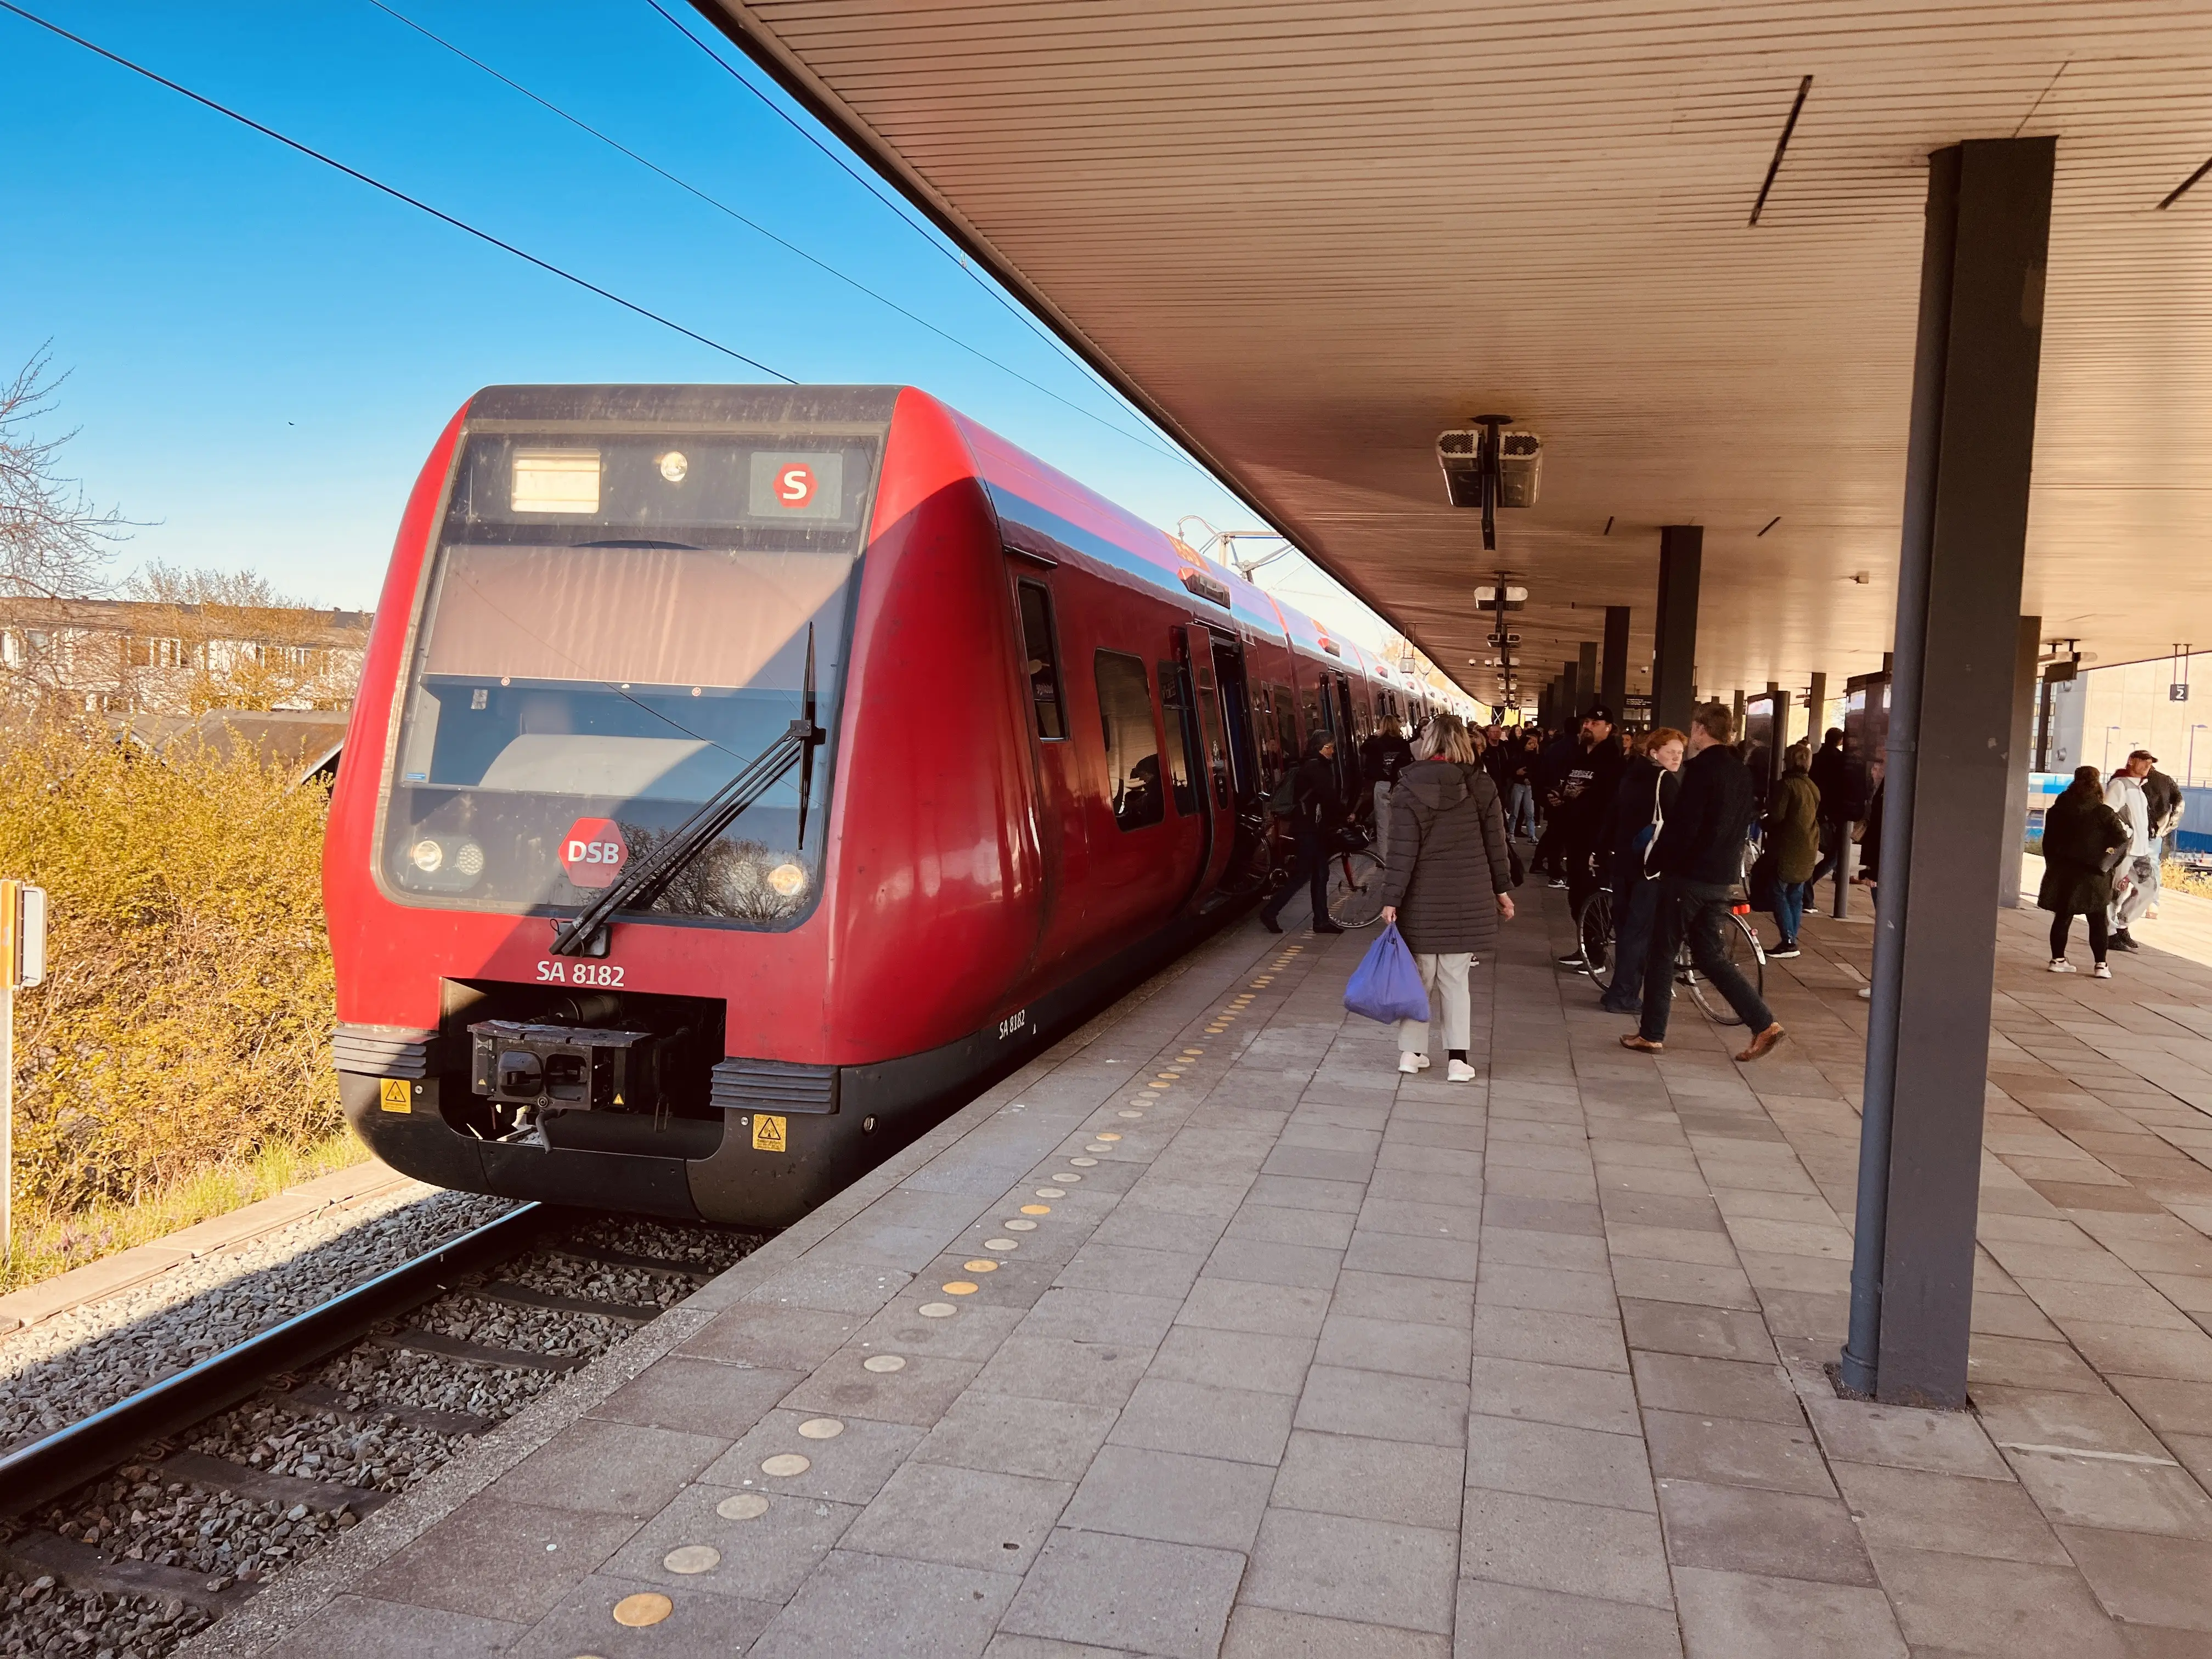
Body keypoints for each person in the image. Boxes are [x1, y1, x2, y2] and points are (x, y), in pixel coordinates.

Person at [1621, 702, 1786, 1062]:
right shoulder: (1742, 774)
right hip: (1720, 878)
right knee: (1710, 955)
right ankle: (1764, 1024)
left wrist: (1658, 861)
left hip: (1689, 877)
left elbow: (1684, 827)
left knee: (1661, 953)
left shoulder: (1699, 771)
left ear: (1699, 729)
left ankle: (1651, 1034)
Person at [1378, 713, 1516, 1083]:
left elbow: (1401, 852)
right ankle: (1458, 1059)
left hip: (1421, 896)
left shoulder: (1407, 788)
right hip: (1466, 894)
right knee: (1455, 980)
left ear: (1429, 742)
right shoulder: (1481, 786)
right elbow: (1495, 846)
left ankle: (1412, 1053)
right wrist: (1501, 891)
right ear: (1463, 743)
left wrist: (1392, 899)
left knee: (1419, 976)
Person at [1598, 727, 1684, 1015]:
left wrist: (1602, 851)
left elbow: (1612, 814)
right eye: (1670, 751)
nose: (1676, 757)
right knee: (1639, 932)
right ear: (1654, 752)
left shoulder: (1631, 775)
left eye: (1680, 752)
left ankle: (1620, 989)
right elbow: (1677, 826)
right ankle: (1622, 996)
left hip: (1623, 863)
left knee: (1626, 931)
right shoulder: (1665, 781)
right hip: (1648, 868)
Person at [1553, 707, 1627, 970]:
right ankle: (1584, 947)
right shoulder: (1578, 755)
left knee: (1592, 895)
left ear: (1609, 728)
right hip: (1574, 836)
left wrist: (1602, 843)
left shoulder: (1612, 762)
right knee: (1576, 895)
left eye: (1595, 722)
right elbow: (1569, 787)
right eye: (1586, 722)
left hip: (1595, 840)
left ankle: (1596, 955)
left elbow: (1608, 804)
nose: (1588, 726)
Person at [2039, 764, 2129, 977]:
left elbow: (2048, 843)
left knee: (2063, 917)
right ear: (2097, 784)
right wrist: (2108, 863)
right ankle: (2101, 966)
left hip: (2064, 872)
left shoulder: (2057, 811)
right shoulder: (2103, 812)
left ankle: (2058, 960)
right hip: (2093, 873)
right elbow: (2122, 840)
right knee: (2097, 920)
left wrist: (2053, 865)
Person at [1260, 732, 1345, 935]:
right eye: (1329, 747)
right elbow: (1327, 797)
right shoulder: (1316, 768)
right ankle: (1271, 912)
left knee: (1320, 873)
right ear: (1319, 748)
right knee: (1304, 874)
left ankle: (1321, 921)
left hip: (1312, 828)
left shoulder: (1312, 765)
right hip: (1309, 828)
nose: (1332, 751)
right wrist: (1346, 815)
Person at [1762, 741, 1820, 958]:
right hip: (1807, 846)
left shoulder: (1786, 786)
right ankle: (1791, 938)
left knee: (1778, 891)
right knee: (1795, 894)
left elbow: (1777, 816)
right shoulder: (1811, 786)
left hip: (1787, 847)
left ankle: (1788, 941)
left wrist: (1763, 823)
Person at [2105, 751, 2156, 952]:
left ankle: (2122, 924)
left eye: (2150, 762)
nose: (2147, 765)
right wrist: (2126, 833)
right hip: (2126, 850)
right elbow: (2109, 813)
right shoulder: (2120, 785)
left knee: (2148, 889)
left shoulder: (2140, 789)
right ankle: (2109, 932)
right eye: (2143, 761)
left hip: (2141, 850)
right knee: (2116, 891)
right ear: (2132, 762)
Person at [1808, 727, 1854, 884]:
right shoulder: (1840, 760)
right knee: (1836, 853)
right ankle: (1810, 881)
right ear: (1840, 741)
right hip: (1832, 811)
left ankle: (1810, 884)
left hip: (1815, 807)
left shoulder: (1815, 758)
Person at [2143, 759, 2183, 921]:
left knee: (2123, 866)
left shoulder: (2129, 781)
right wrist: (2167, 828)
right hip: (2155, 832)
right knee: (2152, 866)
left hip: (2131, 832)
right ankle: (2152, 904)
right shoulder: (2166, 781)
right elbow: (2179, 804)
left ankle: (2116, 902)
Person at [1505, 730, 1541, 839]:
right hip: (1519, 785)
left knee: (1530, 812)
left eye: (1534, 744)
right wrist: (1521, 776)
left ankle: (1532, 835)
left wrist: (1528, 777)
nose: (1533, 746)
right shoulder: (1517, 757)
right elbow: (1514, 771)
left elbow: (1536, 771)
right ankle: (1512, 833)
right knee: (1515, 812)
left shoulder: (1534, 757)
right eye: (1530, 744)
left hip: (1528, 786)